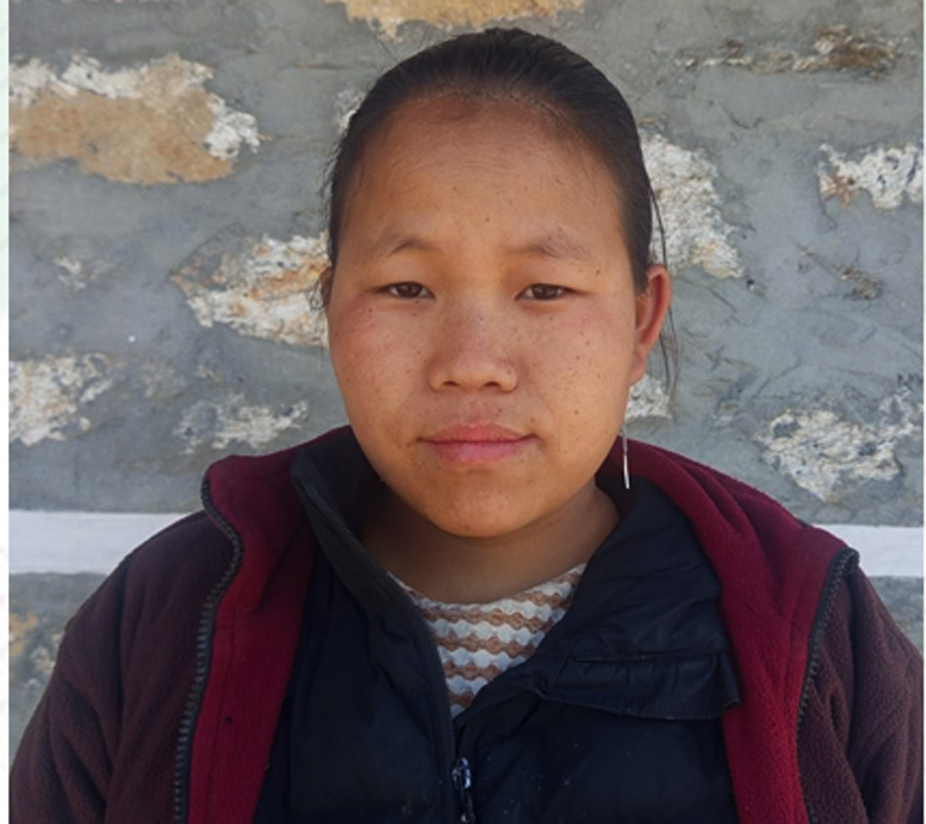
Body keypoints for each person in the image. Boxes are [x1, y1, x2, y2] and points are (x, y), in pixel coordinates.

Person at [11, 27, 922, 824]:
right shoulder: (166, 620)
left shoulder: (809, 630)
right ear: (330, 309)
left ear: (643, 321)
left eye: (545, 289)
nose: (473, 361)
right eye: (407, 287)